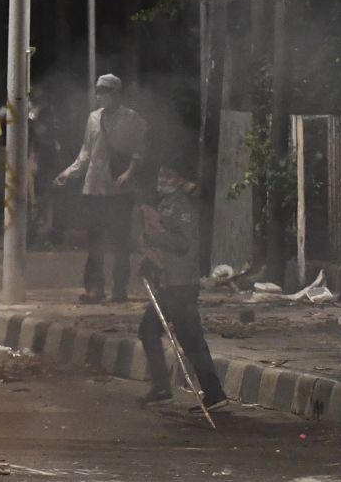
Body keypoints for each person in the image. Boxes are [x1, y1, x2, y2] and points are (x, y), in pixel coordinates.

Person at [138, 158, 228, 411]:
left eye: (168, 176)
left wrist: (155, 237)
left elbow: (181, 244)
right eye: (160, 176)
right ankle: (164, 387)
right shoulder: (166, 205)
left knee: (191, 340)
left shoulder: (181, 206)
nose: (162, 181)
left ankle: (212, 393)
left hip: (181, 285)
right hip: (169, 284)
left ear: (179, 180)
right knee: (150, 331)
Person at [54, 73, 147, 303]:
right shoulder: (93, 118)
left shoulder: (131, 118)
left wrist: (129, 173)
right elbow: (86, 152)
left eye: (105, 90)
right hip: (94, 187)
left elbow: (139, 150)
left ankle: (119, 290)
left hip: (119, 189)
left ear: (116, 93)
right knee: (95, 241)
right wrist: (69, 172)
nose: (100, 95)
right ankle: (95, 289)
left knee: (120, 242)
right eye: (98, 90)